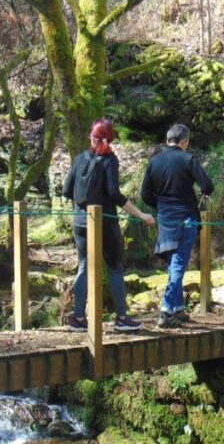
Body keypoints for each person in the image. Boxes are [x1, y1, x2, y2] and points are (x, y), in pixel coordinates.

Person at [62, 118, 156, 332]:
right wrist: (142, 214)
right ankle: (122, 318)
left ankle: (78, 319)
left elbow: (67, 190)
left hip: (80, 222)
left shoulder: (79, 159)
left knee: (84, 266)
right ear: (110, 139)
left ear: (91, 136)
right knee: (114, 268)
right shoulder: (109, 161)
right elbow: (114, 194)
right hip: (105, 223)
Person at [140, 123, 214, 329]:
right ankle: (165, 311)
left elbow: (145, 194)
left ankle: (178, 308)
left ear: (167, 140)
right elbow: (207, 186)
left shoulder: (154, 162)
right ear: (184, 142)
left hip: (165, 219)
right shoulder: (187, 159)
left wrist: (161, 206)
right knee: (179, 263)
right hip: (185, 218)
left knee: (174, 262)